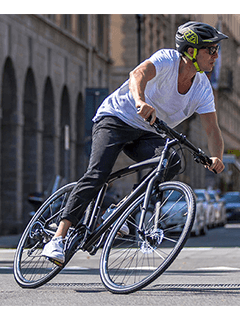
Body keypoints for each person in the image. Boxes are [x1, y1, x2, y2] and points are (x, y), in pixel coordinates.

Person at [41, 21, 228, 264]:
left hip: (147, 131)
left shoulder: (202, 88)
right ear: (191, 51)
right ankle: (58, 237)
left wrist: (217, 157)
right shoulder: (167, 60)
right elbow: (137, 74)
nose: (215, 56)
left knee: (171, 161)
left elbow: (212, 128)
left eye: (216, 50)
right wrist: (140, 101)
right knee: (98, 173)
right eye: (210, 50)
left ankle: (121, 211)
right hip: (116, 118)